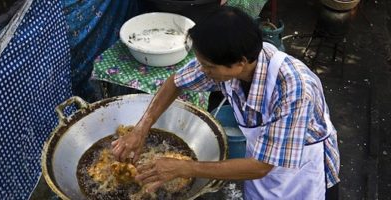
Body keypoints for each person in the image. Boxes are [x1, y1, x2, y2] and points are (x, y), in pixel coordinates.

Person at [111, 6, 340, 200]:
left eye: (209, 67)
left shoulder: (294, 89)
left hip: (300, 174)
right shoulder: (227, 62)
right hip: (262, 164)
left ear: (240, 62)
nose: (203, 71)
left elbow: (261, 166)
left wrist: (183, 167)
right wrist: (141, 129)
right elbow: (176, 82)